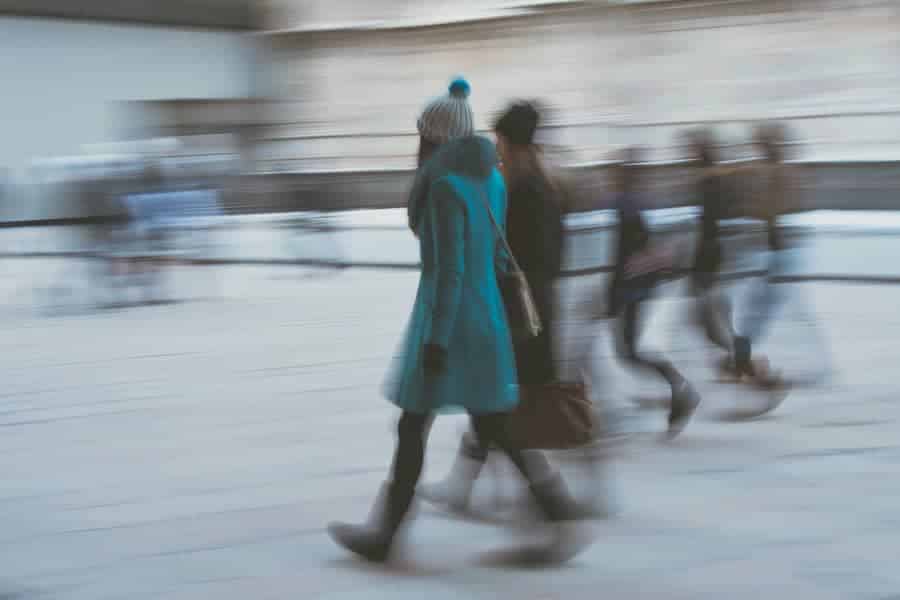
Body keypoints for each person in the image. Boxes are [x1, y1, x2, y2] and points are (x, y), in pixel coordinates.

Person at [327, 79, 587, 564]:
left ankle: (385, 533)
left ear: (434, 138)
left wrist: (436, 341)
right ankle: (557, 510)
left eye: (422, 135)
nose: (417, 143)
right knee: (494, 425)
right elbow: (495, 258)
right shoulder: (489, 179)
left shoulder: (444, 187)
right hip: (485, 317)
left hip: (451, 325)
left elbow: (449, 271)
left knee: (414, 424)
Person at [418, 100, 568, 515]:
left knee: (495, 411)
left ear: (508, 142)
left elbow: (509, 260)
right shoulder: (545, 186)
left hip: (516, 321)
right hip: (535, 316)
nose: (496, 148)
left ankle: (551, 506)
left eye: (499, 140)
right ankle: (467, 489)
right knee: (490, 409)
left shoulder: (522, 191)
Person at [607, 148, 700, 437]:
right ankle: (679, 388)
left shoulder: (627, 208)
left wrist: (615, 293)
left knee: (629, 350)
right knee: (628, 350)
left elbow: (625, 255)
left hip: (631, 288)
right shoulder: (634, 206)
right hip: (635, 287)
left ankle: (680, 388)